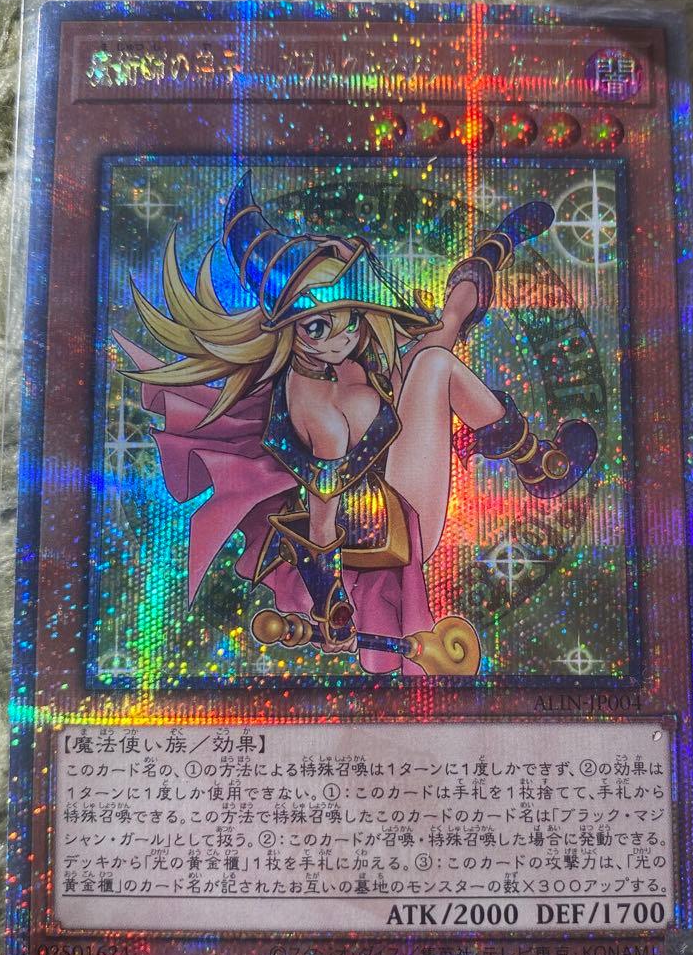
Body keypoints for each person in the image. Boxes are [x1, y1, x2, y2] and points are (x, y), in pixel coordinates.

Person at [116, 173, 597, 675]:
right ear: (290, 329)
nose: (343, 334)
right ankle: (539, 463)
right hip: (398, 521)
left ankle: (488, 256)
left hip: (394, 464)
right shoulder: (317, 413)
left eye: (348, 313)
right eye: (319, 325)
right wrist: (332, 604)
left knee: (441, 333)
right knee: (434, 364)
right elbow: (322, 522)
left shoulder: (337, 355)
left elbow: (389, 362)